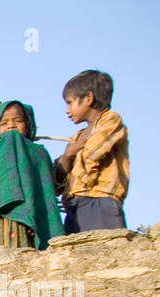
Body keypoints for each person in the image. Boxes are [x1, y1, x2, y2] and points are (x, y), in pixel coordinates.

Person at [56, 69, 129, 233]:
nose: (67, 110)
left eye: (70, 102)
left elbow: (92, 154)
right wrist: (68, 154)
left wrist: (77, 180)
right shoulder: (78, 136)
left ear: (88, 98)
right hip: (75, 204)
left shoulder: (110, 120)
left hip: (100, 200)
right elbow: (58, 179)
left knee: (106, 250)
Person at [0, 101, 65, 249]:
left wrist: (32, 214)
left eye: (18, 120)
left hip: (34, 216)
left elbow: (45, 192)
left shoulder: (39, 153)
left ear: (28, 124)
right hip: (2, 219)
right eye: (4, 123)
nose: (11, 126)